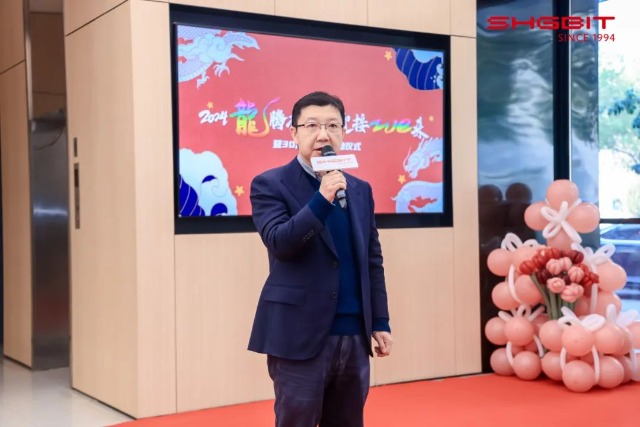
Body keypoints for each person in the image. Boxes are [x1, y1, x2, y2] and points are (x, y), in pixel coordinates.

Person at [248, 91, 393, 427]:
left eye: (332, 126)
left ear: (343, 132)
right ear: (294, 132)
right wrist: (322, 198)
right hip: (299, 334)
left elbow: (371, 259)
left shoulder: (359, 188)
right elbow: (280, 242)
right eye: (311, 125)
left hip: (354, 335)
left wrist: (380, 320)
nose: (323, 135)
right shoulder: (270, 184)